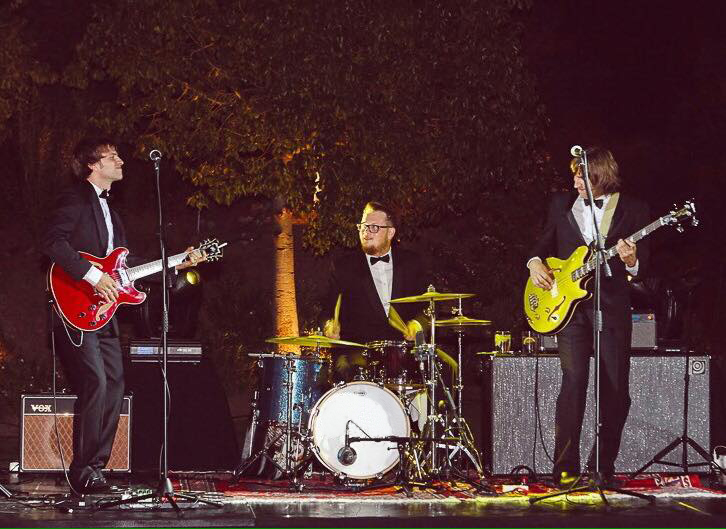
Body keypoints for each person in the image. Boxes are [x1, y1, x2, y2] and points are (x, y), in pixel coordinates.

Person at [40, 137, 203, 494]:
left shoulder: (112, 213)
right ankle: (81, 470)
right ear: (93, 165)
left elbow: (125, 270)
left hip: (105, 311)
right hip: (75, 306)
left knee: (114, 384)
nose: (120, 161)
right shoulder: (75, 199)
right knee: (96, 382)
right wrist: (93, 277)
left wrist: (177, 263)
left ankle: (95, 468)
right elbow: (53, 243)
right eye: (112, 156)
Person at [527, 146, 650, 487]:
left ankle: (602, 467)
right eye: (575, 176)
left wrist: (631, 260)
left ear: (601, 176)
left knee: (615, 389)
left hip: (611, 307)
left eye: (582, 177)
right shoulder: (560, 204)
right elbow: (542, 243)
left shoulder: (633, 208)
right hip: (569, 308)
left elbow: (643, 267)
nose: (576, 182)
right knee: (573, 382)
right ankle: (565, 467)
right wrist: (534, 263)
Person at [323, 201, 429, 381]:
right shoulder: (343, 267)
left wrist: (418, 325)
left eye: (373, 227)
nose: (366, 232)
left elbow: (427, 307)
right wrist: (329, 326)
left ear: (390, 232)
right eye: (363, 226)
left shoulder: (412, 263)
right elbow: (326, 311)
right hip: (357, 360)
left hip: (402, 357)